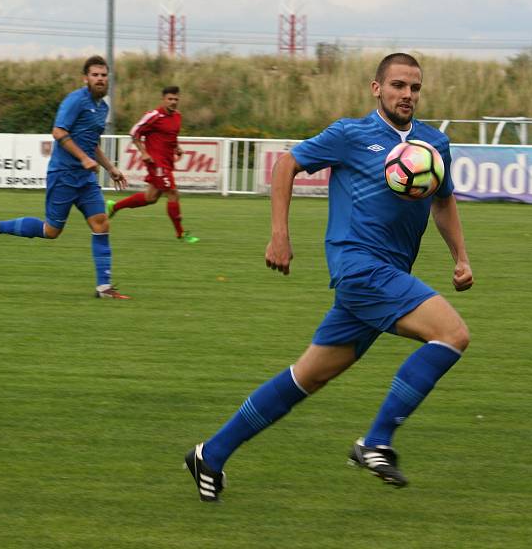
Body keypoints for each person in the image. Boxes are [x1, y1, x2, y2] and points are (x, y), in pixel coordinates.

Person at [185, 53, 474, 501]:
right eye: (398, 85)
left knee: (308, 377)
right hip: (359, 267)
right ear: (376, 88)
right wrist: (279, 235)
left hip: (386, 275)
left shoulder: (434, 144)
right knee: (452, 334)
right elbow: (287, 164)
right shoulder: (350, 134)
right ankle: (376, 441)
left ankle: (211, 453)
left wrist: (461, 256)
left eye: (414, 88)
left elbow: (443, 200)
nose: (407, 95)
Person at [0, 55, 131, 299]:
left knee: (101, 223)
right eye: (95, 75)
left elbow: (92, 142)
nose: (100, 79)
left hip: (86, 179)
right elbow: (58, 131)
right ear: (85, 78)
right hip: (64, 175)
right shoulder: (75, 100)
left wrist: (110, 168)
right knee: (51, 231)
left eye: (104, 75)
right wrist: (83, 159)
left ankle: (104, 288)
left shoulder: (103, 108)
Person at [106, 86, 199, 243]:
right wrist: (143, 152)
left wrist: (176, 147)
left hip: (167, 162)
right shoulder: (154, 115)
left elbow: (171, 136)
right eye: (170, 99)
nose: (173, 102)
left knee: (151, 198)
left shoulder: (177, 116)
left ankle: (114, 206)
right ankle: (181, 234)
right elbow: (134, 132)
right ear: (163, 99)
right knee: (173, 193)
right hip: (156, 163)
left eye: (176, 99)